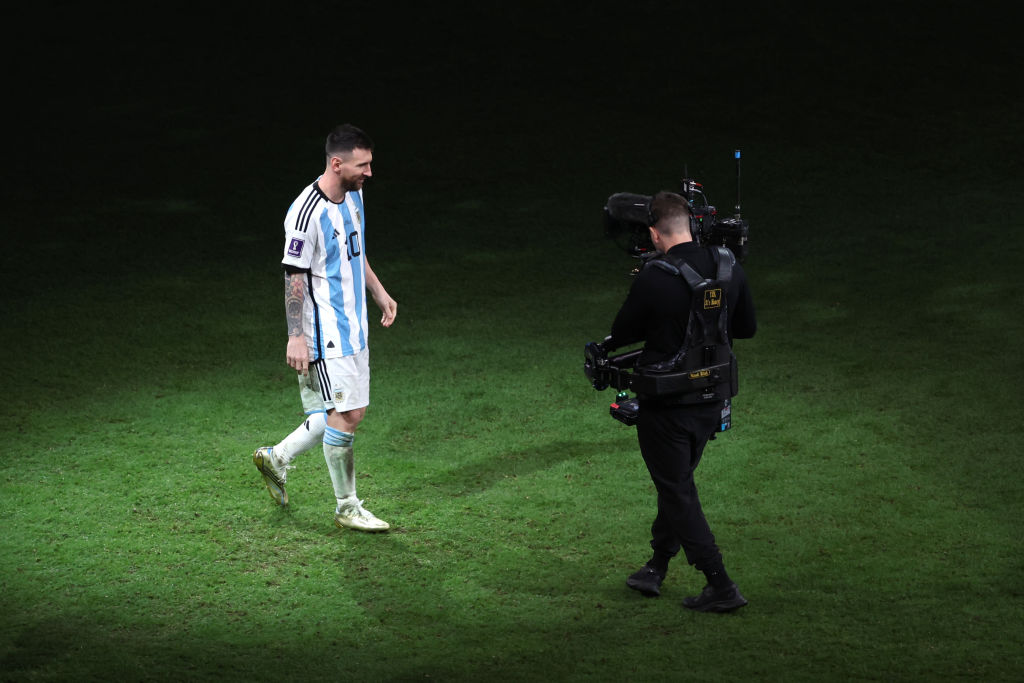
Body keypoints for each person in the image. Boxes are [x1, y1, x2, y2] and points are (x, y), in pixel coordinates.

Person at [603, 191, 756, 612]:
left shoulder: (655, 276)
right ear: (690, 225)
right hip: (712, 403)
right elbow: (746, 328)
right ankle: (656, 566)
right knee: (677, 485)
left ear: (654, 233)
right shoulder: (729, 266)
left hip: (667, 409)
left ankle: (721, 584)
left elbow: (622, 333)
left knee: (677, 490)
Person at [253, 123, 397, 533]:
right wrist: (296, 336)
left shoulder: (355, 196)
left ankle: (275, 458)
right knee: (347, 414)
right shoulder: (304, 214)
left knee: (339, 413)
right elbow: (293, 278)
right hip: (324, 334)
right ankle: (346, 506)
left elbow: (356, 250)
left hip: (354, 326)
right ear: (337, 163)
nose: (369, 172)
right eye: (362, 165)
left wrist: (378, 291)